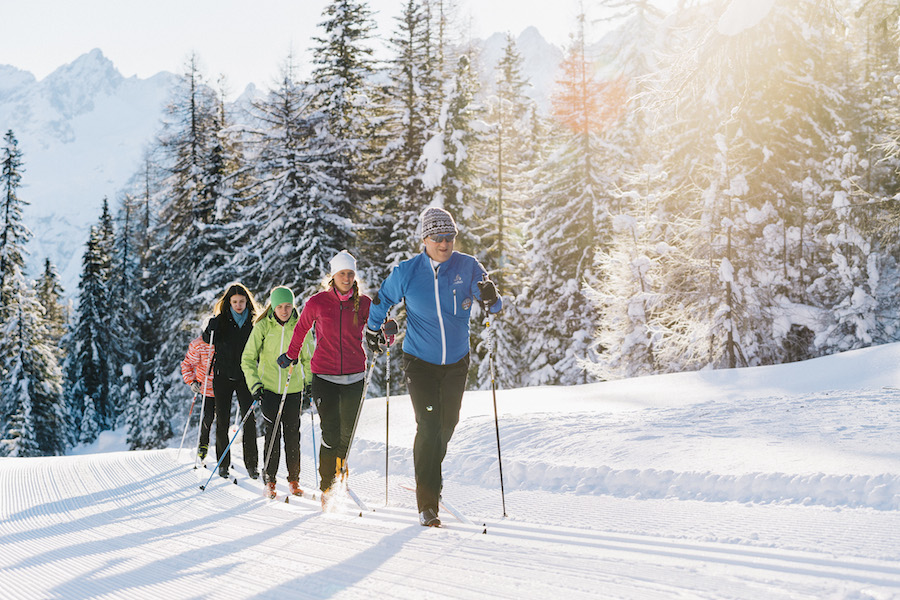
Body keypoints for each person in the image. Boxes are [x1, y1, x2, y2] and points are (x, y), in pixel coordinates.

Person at [365, 207, 501, 527]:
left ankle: (427, 474)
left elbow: (493, 305)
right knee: (428, 425)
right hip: (419, 360)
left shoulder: (467, 266)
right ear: (424, 239)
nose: (445, 244)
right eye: (438, 238)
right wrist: (372, 330)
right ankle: (428, 501)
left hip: (456, 361)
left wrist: (491, 297)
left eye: (450, 237)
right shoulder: (408, 272)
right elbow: (383, 299)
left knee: (447, 424)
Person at [277, 250, 382, 509]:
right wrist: (291, 355)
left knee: (348, 431)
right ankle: (327, 485)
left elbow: (379, 331)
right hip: (324, 376)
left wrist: (385, 337)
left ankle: (339, 472)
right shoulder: (318, 302)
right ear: (333, 276)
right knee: (330, 431)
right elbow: (301, 329)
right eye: (342, 274)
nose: (346, 278)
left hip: (355, 376)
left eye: (350, 273)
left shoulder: (364, 303)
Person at [242, 286, 313, 499]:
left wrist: (309, 384)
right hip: (269, 390)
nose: (284, 310)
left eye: (288, 306)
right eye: (280, 306)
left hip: (293, 389)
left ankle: (294, 480)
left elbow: (309, 358)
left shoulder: (301, 327)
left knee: (293, 436)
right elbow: (247, 359)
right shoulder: (263, 326)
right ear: (272, 306)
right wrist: (255, 385)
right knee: (272, 434)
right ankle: (270, 480)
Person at [203, 283, 261, 480]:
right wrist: (209, 329)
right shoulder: (221, 321)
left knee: (249, 420)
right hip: (223, 376)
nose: (238, 305)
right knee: (222, 422)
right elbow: (206, 339)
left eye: (242, 302)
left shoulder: (253, 322)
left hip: (246, 376)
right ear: (228, 302)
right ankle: (223, 463)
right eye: (234, 302)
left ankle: (252, 464)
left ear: (247, 302)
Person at [180, 334, 215, 460]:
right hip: (206, 388)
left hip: (225, 386)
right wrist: (192, 381)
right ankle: (203, 444)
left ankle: (224, 453)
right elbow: (187, 364)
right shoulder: (198, 344)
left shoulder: (227, 339)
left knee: (223, 419)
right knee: (208, 416)